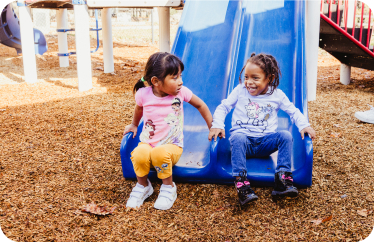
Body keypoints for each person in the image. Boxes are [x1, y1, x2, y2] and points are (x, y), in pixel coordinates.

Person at [208, 53, 316, 205]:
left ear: (270, 78)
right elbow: (224, 107)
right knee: (237, 137)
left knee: (285, 135)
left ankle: (282, 179)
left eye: (255, 78)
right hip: (243, 144)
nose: (249, 82)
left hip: (265, 144)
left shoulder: (277, 95)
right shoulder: (240, 91)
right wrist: (217, 124)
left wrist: (304, 125)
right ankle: (241, 184)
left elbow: (293, 111)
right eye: (246, 77)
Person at [123, 52, 213, 210]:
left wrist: (212, 126)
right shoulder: (143, 94)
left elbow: (201, 105)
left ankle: (168, 187)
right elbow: (139, 109)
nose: (181, 81)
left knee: (159, 154)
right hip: (149, 142)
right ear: (156, 81)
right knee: (138, 154)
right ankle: (143, 186)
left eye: (180, 76)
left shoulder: (181, 92)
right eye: (175, 77)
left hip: (172, 146)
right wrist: (134, 124)